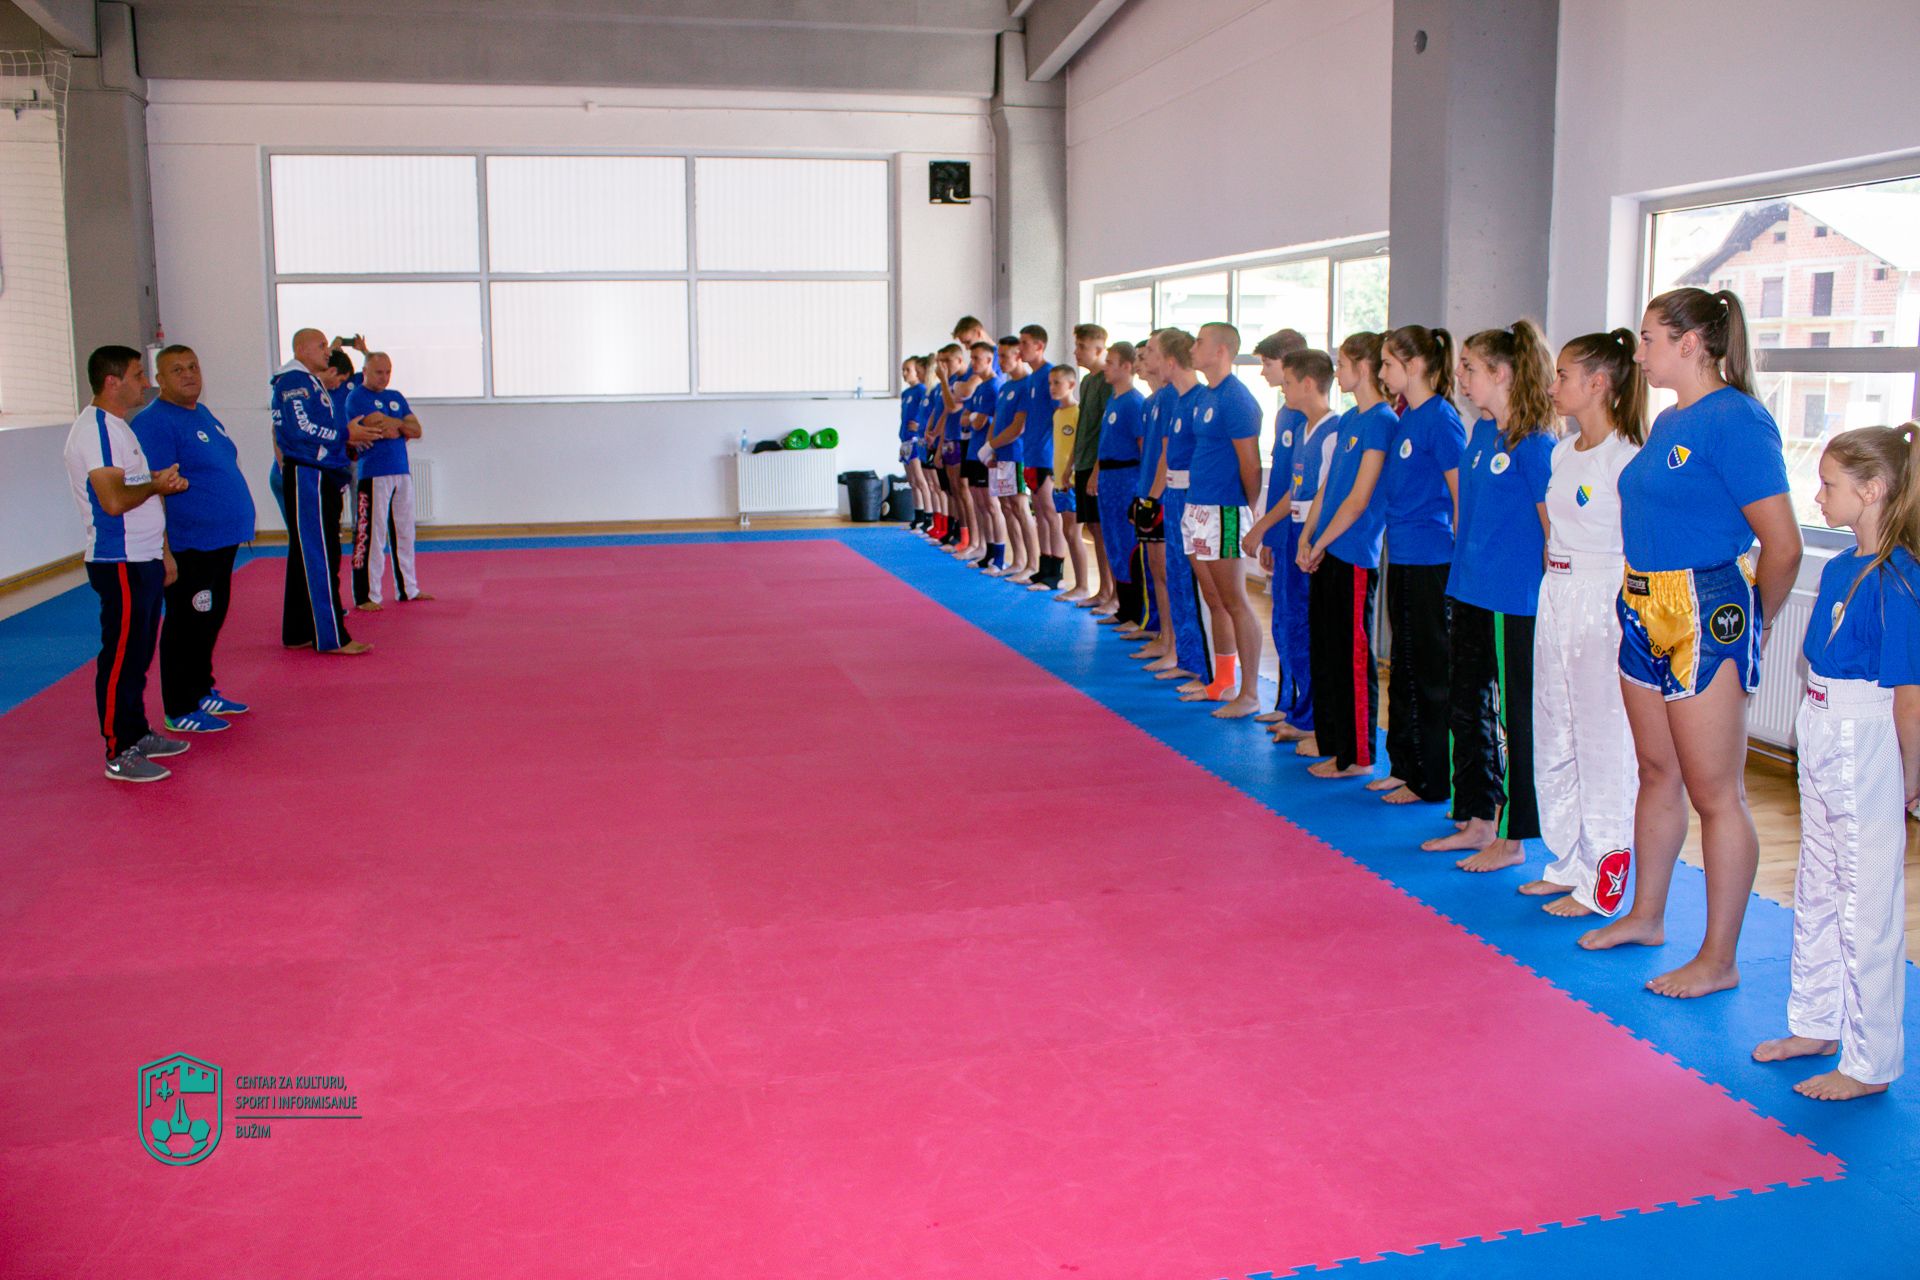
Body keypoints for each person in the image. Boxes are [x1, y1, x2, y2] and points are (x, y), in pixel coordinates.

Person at [1580, 287, 1802, 1000]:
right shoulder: (1672, 417)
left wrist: (1752, 627)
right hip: (1643, 604)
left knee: (1717, 794)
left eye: (1649, 339)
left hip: (1704, 611)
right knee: (1656, 771)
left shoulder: (1737, 419)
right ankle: (1647, 915)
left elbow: (1784, 545)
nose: (1639, 352)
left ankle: (1719, 957)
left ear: (1691, 343)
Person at [1753, 423, 1920, 1100]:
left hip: (1866, 736)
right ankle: (1817, 1023)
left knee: (1864, 900)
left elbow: (1909, 698)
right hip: (1821, 725)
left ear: (1872, 490)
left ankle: (1870, 1061)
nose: (1817, 497)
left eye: (1828, 485)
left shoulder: (1900, 579)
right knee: (1818, 886)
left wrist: (1909, 779)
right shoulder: (1843, 566)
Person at [1423, 321, 1556, 872]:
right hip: (1469, 589)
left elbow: (1554, 531)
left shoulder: (1536, 445)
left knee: (1513, 718)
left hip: (1513, 602)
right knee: (1465, 706)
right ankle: (1477, 818)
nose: (1461, 377)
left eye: (1470, 368)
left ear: (1502, 374)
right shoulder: (1481, 432)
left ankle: (1513, 835)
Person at [1522, 331, 1646, 916]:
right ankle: (1567, 861)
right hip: (1557, 591)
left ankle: (1604, 879)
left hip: (1605, 598)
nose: (1553, 386)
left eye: (1563, 375)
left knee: (1603, 738)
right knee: (1555, 729)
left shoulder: (1628, 457)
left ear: (1598, 384)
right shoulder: (1561, 452)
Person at [64, 345, 192, 781]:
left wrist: (156, 485)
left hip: (143, 555)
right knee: (121, 656)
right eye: (139, 375)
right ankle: (118, 751)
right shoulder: (96, 430)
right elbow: (115, 500)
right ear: (112, 382)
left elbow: (132, 486)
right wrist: (157, 486)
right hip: (118, 559)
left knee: (138, 653)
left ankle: (136, 732)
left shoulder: (119, 428)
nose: (146, 383)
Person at [130, 344, 257, 734]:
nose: (188, 374)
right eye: (177, 369)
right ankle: (180, 705)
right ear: (159, 379)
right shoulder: (154, 423)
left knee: (210, 619)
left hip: (220, 539)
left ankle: (201, 691)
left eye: (193, 367)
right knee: (187, 623)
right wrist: (164, 551)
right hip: (190, 543)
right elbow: (153, 489)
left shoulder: (200, 412)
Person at [1294, 336, 1397, 776]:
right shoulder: (1351, 419)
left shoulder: (1382, 421)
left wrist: (1320, 544)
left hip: (1353, 552)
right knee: (1326, 650)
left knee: (1351, 654)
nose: (1336, 372)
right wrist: (1308, 536)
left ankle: (1357, 756)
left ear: (1363, 368)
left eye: (1342, 364)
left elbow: (1358, 500)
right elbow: (1329, 486)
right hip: (1328, 546)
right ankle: (1332, 739)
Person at [1375, 325, 1467, 803]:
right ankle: (1404, 765)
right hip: (1404, 554)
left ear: (1413, 366)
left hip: (1432, 560)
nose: (1381, 372)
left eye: (1388, 364)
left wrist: (1463, 563)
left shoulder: (1441, 419)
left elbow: (1460, 496)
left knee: (1429, 671)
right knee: (1404, 664)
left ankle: (1431, 779)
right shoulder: (1407, 415)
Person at [275, 327, 378, 655]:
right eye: (321, 346)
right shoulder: (295, 381)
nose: (327, 351)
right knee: (321, 555)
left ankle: (297, 630)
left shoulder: (307, 381)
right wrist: (345, 434)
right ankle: (333, 637)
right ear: (301, 349)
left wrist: (345, 442)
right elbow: (301, 428)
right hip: (310, 475)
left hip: (318, 473)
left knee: (305, 555)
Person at [1181, 322, 1266, 716]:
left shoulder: (1237, 399)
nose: (1192, 348)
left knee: (1235, 601)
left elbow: (1251, 465)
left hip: (1225, 510)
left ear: (1220, 351)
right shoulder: (1205, 396)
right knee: (1213, 598)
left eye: (1199, 342)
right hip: (1198, 507)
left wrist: (1247, 511)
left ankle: (1249, 694)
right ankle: (1223, 682)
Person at [1248, 330, 1315, 735]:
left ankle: (1305, 711)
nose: (1264, 373)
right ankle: (1288, 702)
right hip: (1282, 531)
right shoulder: (1286, 413)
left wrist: (1264, 527)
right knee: (1283, 620)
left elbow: (1298, 487)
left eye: (1268, 364)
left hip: (1298, 530)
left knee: (1298, 621)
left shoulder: (1311, 419)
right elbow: (1281, 482)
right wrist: (1271, 537)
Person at [348, 352, 432, 609]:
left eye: (388, 372)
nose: (384, 378)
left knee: (405, 532)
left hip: (401, 471)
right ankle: (366, 595)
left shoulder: (395, 396)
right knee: (371, 536)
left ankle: (407, 588)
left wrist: (396, 425)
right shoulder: (357, 397)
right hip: (374, 473)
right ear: (365, 371)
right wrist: (400, 425)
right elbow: (380, 427)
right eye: (378, 372)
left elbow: (416, 430)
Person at [1154, 329, 1213, 686]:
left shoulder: (1202, 399)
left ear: (1171, 362)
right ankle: (1187, 658)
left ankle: (1206, 667)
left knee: (1194, 583)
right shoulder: (1177, 400)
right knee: (1176, 576)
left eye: (1156, 355)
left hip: (1195, 498)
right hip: (1174, 495)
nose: (1153, 363)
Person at [1003, 325, 1066, 591]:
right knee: (1039, 513)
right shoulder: (1032, 378)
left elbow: (1061, 413)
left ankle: (1056, 573)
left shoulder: (1050, 376)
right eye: (1019, 343)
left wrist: (1058, 456)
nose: (1020, 348)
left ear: (1040, 346)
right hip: (1031, 454)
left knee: (1050, 514)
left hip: (1045, 455)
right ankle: (1044, 567)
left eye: (1025, 343)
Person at [1092, 343, 1145, 629]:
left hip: (1127, 478)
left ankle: (1136, 612)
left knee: (1128, 543)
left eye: (1110, 362)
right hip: (1108, 478)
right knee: (1113, 541)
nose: (1105, 367)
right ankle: (1123, 607)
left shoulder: (1135, 402)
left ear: (1127, 367)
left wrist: (1141, 489)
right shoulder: (1113, 400)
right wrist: (1096, 475)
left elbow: (1143, 448)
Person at [982, 341, 1038, 579]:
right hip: (1001, 454)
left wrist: (992, 445)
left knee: (1020, 507)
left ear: (1018, 356)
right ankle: (1017, 560)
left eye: (1004, 356)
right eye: (999, 356)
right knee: (1006, 507)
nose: (1000, 361)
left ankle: (1032, 564)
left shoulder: (1027, 384)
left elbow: (1018, 427)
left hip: (1017, 454)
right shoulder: (1005, 386)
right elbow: (996, 420)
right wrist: (989, 446)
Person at [1065, 324, 1112, 605]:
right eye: (1077, 346)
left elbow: (1107, 431)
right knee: (1093, 530)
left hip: (1097, 465)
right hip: (1083, 463)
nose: (1076, 352)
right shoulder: (1086, 382)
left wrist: (1097, 468)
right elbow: (1083, 425)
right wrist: (1071, 463)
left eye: (1082, 347)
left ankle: (1110, 592)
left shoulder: (1107, 381)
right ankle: (1103, 589)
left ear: (1099, 350)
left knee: (1103, 532)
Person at [959, 341, 1008, 566]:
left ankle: (999, 556)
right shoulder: (979, 387)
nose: (972, 363)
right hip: (973, 451)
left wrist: (974, 418)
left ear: (989, 360)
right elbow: (964, 420)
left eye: (976, 358)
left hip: (986, 451)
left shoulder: (994, 386)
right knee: (979, 504)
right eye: (971, 358)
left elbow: (978, 423)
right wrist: (974, 417)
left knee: (991, 504)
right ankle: (988, 552)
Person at [1043, 364, 1086, 593]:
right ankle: (1075, 583)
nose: (1052, 387)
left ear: (1071, 384)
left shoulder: (1078, 413)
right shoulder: (1058, 413)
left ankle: (1082, 585)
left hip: (1072, 482)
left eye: (1057, 383)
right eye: (1050, 383)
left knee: (1073, 533)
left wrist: (1070, 472)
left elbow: (1079, 448)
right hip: (1059, 481)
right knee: (1067, 533)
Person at [898, 356, 934, 532]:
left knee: (920, 480)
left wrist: (920, 426)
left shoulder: (923, 390)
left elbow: (928, 412)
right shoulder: (906, 393)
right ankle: (917, 516)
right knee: (912, 481)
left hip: (915, 439)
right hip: (905, 439)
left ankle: (928, 517)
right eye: (903, 370)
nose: (905, 373)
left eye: (909, 370)